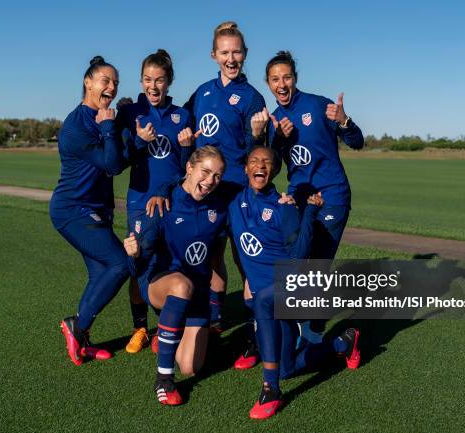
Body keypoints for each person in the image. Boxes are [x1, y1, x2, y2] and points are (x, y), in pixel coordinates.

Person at [228, 146, 360, 419]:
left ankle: (270, 390)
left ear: (275, 170)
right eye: (254, 161)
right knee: (286, 368)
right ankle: (343, 343)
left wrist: (309, 212)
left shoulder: (283, 206)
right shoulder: (233, 203)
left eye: (267, 162)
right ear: (246, 169)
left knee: (263, 299)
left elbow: (299, 257)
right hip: (271, 299)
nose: (260, 166)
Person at [123, 146, 227, 406]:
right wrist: (133, 255)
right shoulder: (162, 204)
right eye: (205, 171)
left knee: (190, 367)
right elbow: (136, 270)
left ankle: (172, 329)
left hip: (199, 293)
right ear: (189, 168)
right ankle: (164, 379)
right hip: (162, 283)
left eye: (217, 175)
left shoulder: (221, 206)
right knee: (181, 286)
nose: (211, 180)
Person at [184, 21, 266, 332]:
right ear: (213, 55)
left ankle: (253, 327)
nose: (231, 59)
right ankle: (216, 319)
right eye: (224, 53)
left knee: (245, 259)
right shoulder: (202, 92)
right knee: (212, 254)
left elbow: (259, 157)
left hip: (239, 192)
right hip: (207, 191)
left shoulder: (252, 98)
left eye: (236, 52)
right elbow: (181, 124)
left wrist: (258, 135)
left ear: (245, 54)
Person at [115, 49, 196, 354]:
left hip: (171, 203)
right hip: (139, 200)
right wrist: (139, 140)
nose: (153, 86)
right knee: (137, 262)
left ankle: (165, 325)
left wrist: (187, 148)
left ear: (169, 82)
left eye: (159, 80)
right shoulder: (130, 113)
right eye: (148, 79)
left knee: (167, 262)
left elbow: (185, 167)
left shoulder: (182, 116)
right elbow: (120, 160)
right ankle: (139, 328)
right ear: (140, 81)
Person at [50, 56, 128, 366]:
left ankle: (81, 340)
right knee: (121, 264)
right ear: (88, 82)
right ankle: (76, 328)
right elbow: (111, 164)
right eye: (105, 80)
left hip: (97, 209)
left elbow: (120, 159)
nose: (111, 87)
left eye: (115, 83)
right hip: (72, 209)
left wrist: (120, 126)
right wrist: (110, 126)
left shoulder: (102, 118)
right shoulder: (75, 126)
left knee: (100, 274)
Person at [266, 50, 364, 259]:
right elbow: (272, 168)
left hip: (331, 195)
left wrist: (344, 121)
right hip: (298, 198)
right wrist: (279, 139)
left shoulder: (318, 105)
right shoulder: (274, 121)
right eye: (275, 79)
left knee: (316, 263)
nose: (281, 85)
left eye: (287, 77)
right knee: (297, 259)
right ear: (268, 84)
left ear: (295, 79)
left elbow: (357, 142)